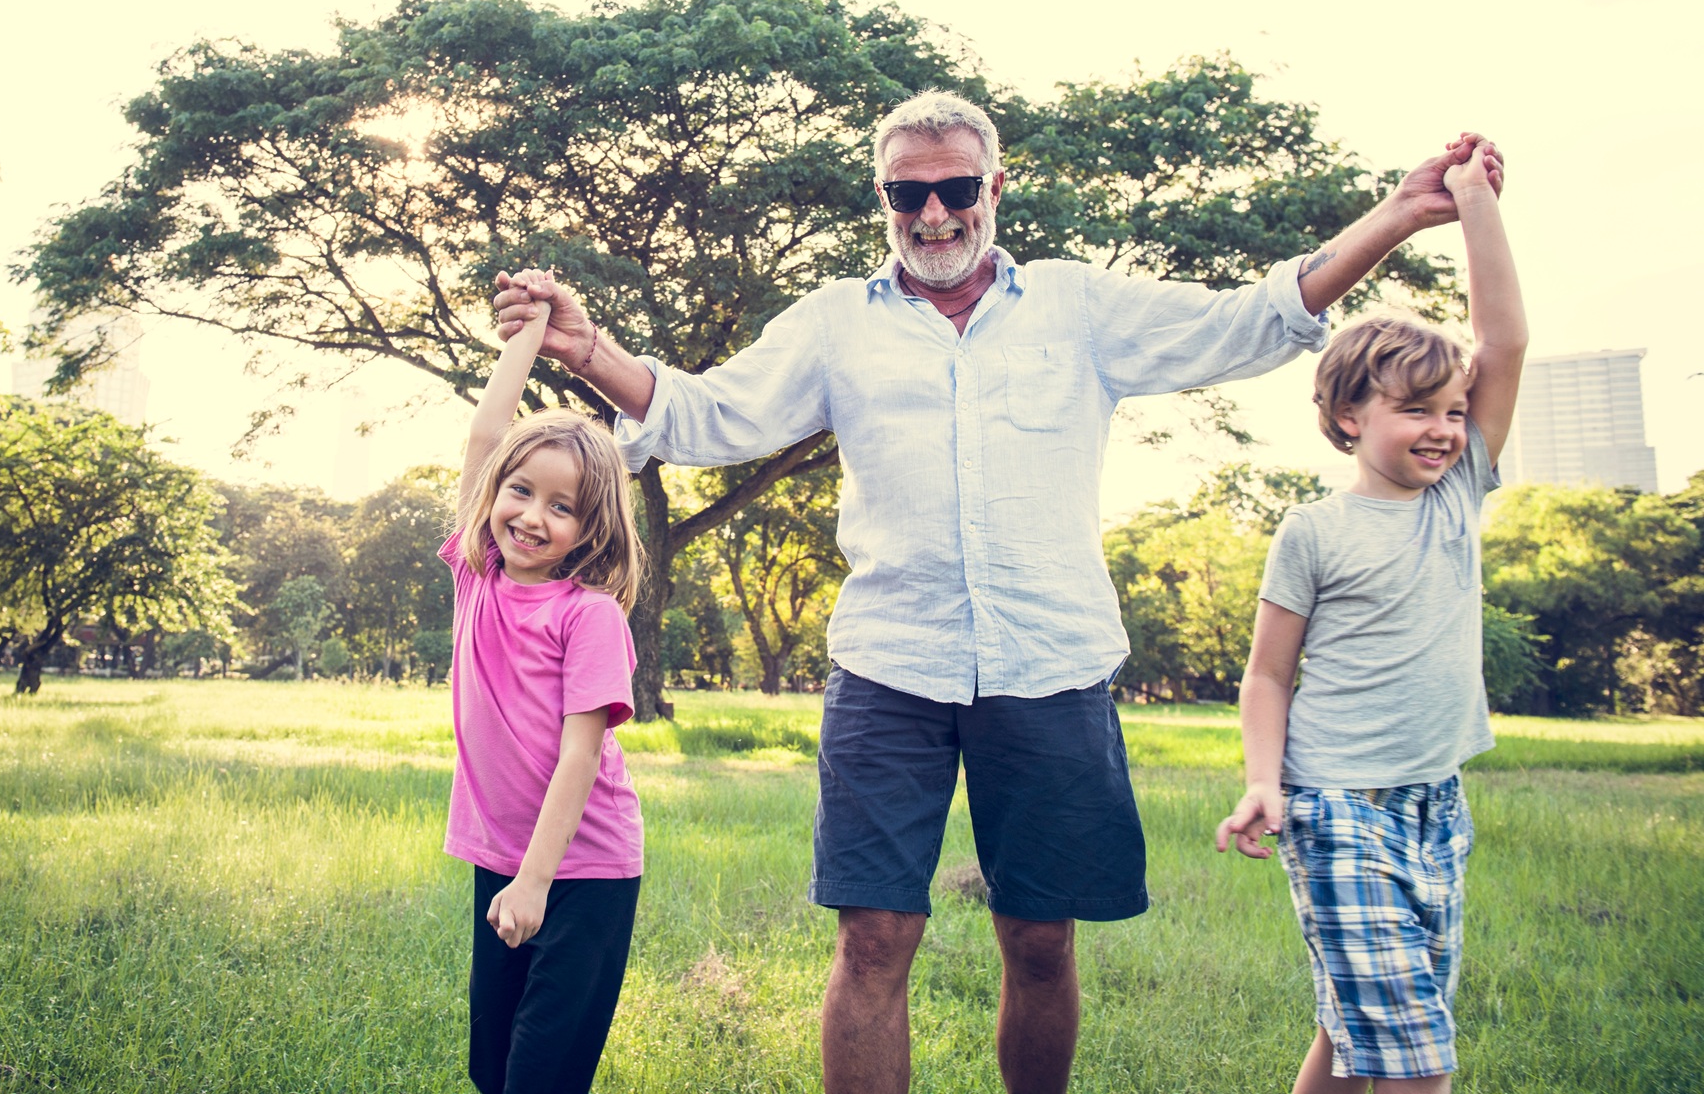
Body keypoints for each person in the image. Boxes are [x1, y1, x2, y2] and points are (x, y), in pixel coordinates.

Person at [494, 90, 1504, 1094]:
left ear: (995, 187)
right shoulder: (838, 323)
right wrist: (586, 349)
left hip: (1049, 664)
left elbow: (1251, 318)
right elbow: (708, 412)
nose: (933, 213)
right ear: (883, 199)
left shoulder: (1077, 305)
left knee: (1040, 937)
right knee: (873, 935)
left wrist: (1397, 214)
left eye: (956, 188)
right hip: (889, 665)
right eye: (908, 194)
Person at [1214, 140, 1524, 1094]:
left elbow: (1504, 343)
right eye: (1416, 409)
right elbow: (1268, 673)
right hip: (1337, 804)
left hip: (1436, 802)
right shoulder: (1312, 531)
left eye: (1454, 410)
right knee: (1415, 1054)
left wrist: (1473, 201)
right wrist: (1262, 781)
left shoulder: (1458, 492)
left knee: (1358, 1030)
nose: (1444, 429)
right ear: (1349, 415)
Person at [444, 282, 647, 1094]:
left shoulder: (588, 616)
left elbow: (579, 756)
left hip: (584, 869)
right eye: (521, 491)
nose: (532, 516)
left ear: (589, 527)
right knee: (492, 1069)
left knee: (542, 1074)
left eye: (561, 507)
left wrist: (536, 880)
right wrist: (527, 332)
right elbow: (486, 434)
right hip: (500, 855)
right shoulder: (475, 576)